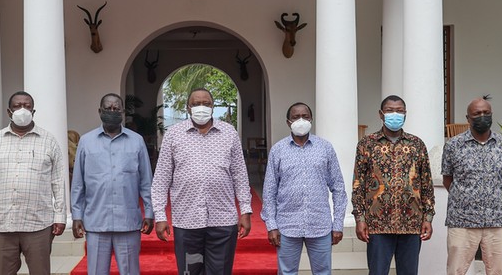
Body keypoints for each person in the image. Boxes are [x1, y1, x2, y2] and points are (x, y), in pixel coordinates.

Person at [151, 88, 252, 275]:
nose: (201, 107)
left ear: (213, 107)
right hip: (187, 221)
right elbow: (161, 179)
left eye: (206, 103)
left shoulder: (229, 133)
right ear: (188, 108)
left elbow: (239, 174)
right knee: (190, 271)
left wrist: (245, 210)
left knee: (220, 271)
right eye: (196, 104)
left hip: (223, 220)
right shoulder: (174, 134)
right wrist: (160, 216)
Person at [0, 91, 67, 275]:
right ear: (9, 112)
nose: (22, 110)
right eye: (18, 106)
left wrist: (60, 216)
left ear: (33, 111)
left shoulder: (49, 141)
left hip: (38, 223)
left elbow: (58, 181)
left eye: (27, 106)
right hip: (2, 223)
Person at [70, 93, 154, 275]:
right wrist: (77, 214)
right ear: (100, 111)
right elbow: (78, 184)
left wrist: (149, 211)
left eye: (116, 109)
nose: (112, 111)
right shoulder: (86, 141)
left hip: (128, 222)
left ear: (123, 112)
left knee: (130, 271)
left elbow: (146, 182)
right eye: (108, 108)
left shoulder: (137, 141)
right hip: (96, 221)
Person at [352, 95, 435, 275]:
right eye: (390, 111)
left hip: (411, 223)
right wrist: (360, 218)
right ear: (381, 114)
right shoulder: (367, 144)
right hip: (377, 223)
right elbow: (358, 184)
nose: (395, 114)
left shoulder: (417, 144)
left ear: (405, 114)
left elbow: (426, 183)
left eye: (399, 111)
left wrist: (428, 217)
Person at [261, 102, 347, 275]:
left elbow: (338, 187)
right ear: (288, 122)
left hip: (320, 225)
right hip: (287, 226)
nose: (301, 120)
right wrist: (271, 225)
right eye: (296, 117)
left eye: (305, 116)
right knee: (287, 272)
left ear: (311, 120)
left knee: (323, 272)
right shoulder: (278, 150)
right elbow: (269, 191)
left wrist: (337, 224)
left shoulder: (325, 148)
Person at [442, 97, 502, 275]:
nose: (482, 116)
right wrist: (465, 198)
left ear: (491, 115)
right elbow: (447, 178)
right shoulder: (453, 145)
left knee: (497, 271)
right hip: (462, 220)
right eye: (477, 113)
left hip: (497, 220)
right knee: (455, 270)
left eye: (486, 113)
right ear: (468, 118)